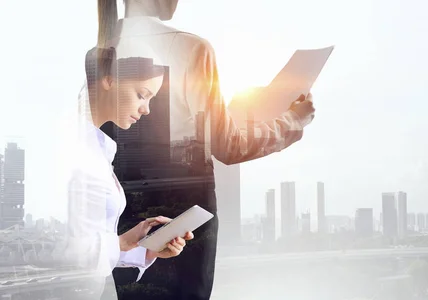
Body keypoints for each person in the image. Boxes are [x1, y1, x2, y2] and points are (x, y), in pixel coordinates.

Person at [102, 1, 316, 299]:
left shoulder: (100, 51)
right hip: (183, 225)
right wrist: (293, 120)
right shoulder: (192, 48)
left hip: (119, 220)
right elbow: (228, 146)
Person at [59, 2, 195, 298]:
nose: (146, 110)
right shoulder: (67, 146)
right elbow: (65, 251)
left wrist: (141, 248)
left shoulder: (100, 146)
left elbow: (92, 247)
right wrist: (122, 244)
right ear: (109, 78)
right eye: (141, 95)